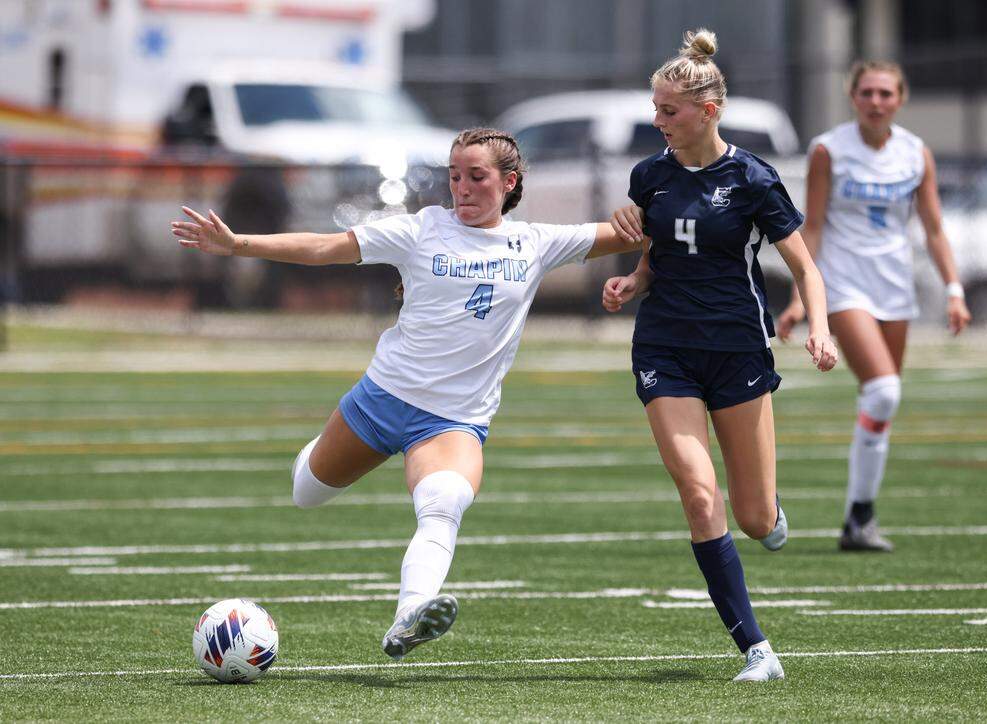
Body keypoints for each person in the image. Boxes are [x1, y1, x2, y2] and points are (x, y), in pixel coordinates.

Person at [171, 128, 641, 660]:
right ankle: (312, 456)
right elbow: (326, 247)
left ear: (509, 183)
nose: (462, 187)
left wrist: (643, 225)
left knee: (443, 505)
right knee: (307, 490)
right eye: (455, 176)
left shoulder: (535, 243)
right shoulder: (421, 229)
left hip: (453, 421)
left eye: (476, 177)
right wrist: (238, 245)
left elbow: (639, 233)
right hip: (381, 399)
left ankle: (408, 617)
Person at [602, 29, 838, 683]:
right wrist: (633, 281)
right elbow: (660, 252)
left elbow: (805, 267)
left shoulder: (755, 179)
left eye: (668, 110)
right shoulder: (649, 175)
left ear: (708, 111)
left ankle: (768, 508)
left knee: (755, 516)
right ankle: (757, 649)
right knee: (699, 493)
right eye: (655, 108)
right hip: (664, 350)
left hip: (738, 350)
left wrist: (819, 328)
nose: (658, 121)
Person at [775, 61, 971, 552]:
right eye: (867, 92)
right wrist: (802, 299)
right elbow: (812, 227)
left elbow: (933, 227)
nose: (876, 101)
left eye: (885, 93)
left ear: (900, 99)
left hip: (894, 289)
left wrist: (954, 289)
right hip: (844, 286)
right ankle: (861, 514)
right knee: (883, 391)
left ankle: (857, 520)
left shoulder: (914, 153)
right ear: (852, 97)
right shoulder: (829, 150)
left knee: (880, 401)